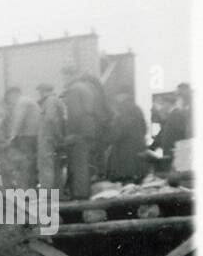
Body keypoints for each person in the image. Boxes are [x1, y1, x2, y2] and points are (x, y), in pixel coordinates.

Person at [61, 65, 106, 199]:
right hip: (89, 128)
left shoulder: (74, 89)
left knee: (78, 164)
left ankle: (80, 195)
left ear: (69, 75)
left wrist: (71, 134)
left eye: (64, 75)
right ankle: (83, 193)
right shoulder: (86, 87)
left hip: (79, 131)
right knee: (84, 163)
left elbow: (75, 112)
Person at [106, 90, 148, 183]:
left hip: (124, 154)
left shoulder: (123, 110)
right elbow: (144, 129)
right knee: (138, 183)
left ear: (122, 95)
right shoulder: (137, 109)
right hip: (138, 151)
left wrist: (109, 136)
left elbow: (118, 133)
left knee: (125, 182)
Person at [2, 87, 40, 187]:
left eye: (9, 98)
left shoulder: (21, 102)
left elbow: (18, 120)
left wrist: (11, 137)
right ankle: (31, 188)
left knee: (25, 165)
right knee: (30, 164)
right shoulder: (28, 101)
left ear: (13, 94)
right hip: (34, 136)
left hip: (27, 136)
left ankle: (26, 190)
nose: (9, 101)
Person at [36, 84, 66, 191]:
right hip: (52, 137)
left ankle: (47, 194)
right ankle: (57, 192)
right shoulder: (55, 100)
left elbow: (51, 119)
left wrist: (57, 135)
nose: (40, 94)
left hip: (47, 138)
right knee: (55, 166)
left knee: (45, 166)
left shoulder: (50, 101)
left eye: (40, 91)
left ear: (43, 91)